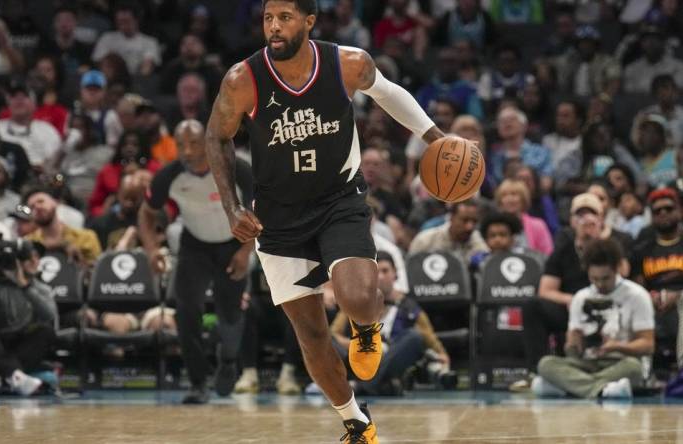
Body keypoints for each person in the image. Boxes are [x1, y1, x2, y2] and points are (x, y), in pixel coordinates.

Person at [203, 1, 464, 441]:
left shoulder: (346, 63)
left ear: (308, 21)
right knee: (311, 333)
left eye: (285, 17)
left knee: (358, 296)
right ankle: (356, 422)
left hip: (338, 200)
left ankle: (366, 329)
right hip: (277, 219)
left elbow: (388, 92)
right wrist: (231, 206)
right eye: (268, 18)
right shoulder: (242, 79)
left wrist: (435, 136)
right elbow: (216, 135)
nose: (274, 27)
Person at [140, 119, 253, 404]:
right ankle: (198, 382)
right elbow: (146, 213)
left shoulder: (236, 168)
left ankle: (228, 360)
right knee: (186, 310)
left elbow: (261, 208)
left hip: (233, 245)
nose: (187, 150)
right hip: (195, 246)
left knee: (229, 313)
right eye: (180, 144)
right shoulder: (169, 176)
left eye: (193, 143)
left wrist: (246, 251)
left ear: (207, 141)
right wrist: (152, 248)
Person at [533, 238, 654, 399]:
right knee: (546, 364)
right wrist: (572, 344)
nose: (600, 284)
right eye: (594, 279)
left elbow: (648, 345)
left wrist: (617, 346)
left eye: (606, 278)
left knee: (634, 368)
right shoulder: (580, 297)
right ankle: (603, 390)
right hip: (587, 363)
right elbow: (573, 355)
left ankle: (570, 388)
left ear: (617, 269)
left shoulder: (637, 295)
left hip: (620, 361)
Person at [330, 251, 450, 396]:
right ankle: (378, 385)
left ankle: (362, 386)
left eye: (385, 271)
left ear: (395, 274)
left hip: (391, 360)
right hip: (359, 359)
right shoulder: (356, 301)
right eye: (375, 272)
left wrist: (442, 358)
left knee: (414, 337)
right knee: (326, 339)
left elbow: (433, 343)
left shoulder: (410, 307)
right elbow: (333, 334)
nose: (380, 277)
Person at [0, 237, 57, 396]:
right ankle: (15, 376)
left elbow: (50, 316)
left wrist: (24, 285)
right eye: (29, 257)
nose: (35, 261)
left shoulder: (41, 289)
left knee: (45, 331)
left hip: (22, 347)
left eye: (37, 257)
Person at [630, 188, 683, 369]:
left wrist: (676, 296)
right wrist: (652, 297)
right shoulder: (642, 250)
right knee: (636, 298)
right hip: (652, 306)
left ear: (679, 211)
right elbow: (638, 289)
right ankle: (640, 368)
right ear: (652, 216)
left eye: (668, 209)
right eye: (657, 211)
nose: (663, 213)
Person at [24, 187, 101, 267]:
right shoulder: (27, 243)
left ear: (55, 202)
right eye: (32, 207)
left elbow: (97, 273)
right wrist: (60, 246)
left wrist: (79, 261)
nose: (37, 207)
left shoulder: (86, 238)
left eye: (41, 201)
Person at [409, 200, 488, 265]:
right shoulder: (425, 241)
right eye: (465, 220)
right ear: (451, 218)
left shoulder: (477, 242)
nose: (470, 227)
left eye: (474, 221)